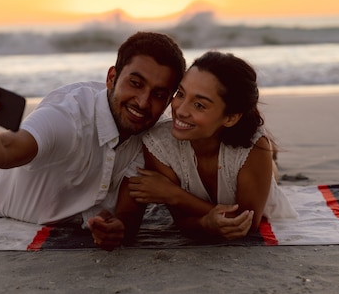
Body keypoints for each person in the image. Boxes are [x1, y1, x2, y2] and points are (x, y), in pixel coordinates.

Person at [0, 32, 186, 250]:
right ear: (111, 78)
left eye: (158, 94)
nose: (142, 102)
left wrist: (117, 228)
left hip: (66, 206)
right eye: (135, 83)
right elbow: (2, 149)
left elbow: (128, 218)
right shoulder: (67, 117)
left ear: (168, 101)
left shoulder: (152, 137)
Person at [92, 51, 297, 248]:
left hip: (246, 155)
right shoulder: (159, 144)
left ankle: (271, 161)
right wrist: (205, 223)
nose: (180, 111)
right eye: (180, 94)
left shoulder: (253, 147)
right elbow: (182, 222)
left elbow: (246, 222)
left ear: (230, 117)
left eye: (199, 105)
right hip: (229, 159)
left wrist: (174, 194)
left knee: (271, 174)